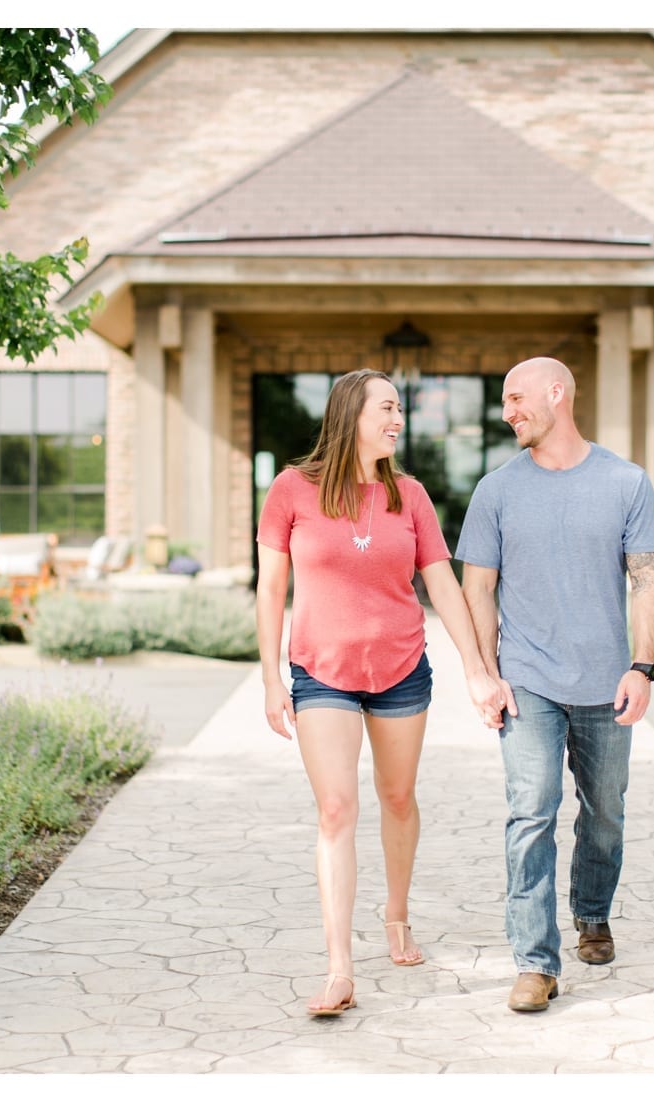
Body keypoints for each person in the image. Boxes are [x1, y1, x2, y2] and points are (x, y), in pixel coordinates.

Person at [255, 367, 506, 1018]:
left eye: (401, 410)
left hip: (399, 667)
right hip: (321, 671)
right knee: (336, 810)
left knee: (397, 798)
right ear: (350, 414)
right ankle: (340, 967)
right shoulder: (292, 490)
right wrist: (269, 677)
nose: (398, 419)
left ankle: (396, 916)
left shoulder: (411, 496)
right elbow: (270, 588)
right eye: (388, 408)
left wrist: (478, 668)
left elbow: (443, 588)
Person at [457, 356, 654, 1013]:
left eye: (516, 397)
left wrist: (643, 665)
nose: (507, 411)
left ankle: (593, 913)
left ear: (557, 392)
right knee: (533, 810)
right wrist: (486, 673)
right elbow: (477, 586)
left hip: (605, 682)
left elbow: (647, 577)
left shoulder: (625, 482)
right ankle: (535, 963)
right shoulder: (497, 490)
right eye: (503, 401)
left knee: (605, 812)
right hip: (528, 681)